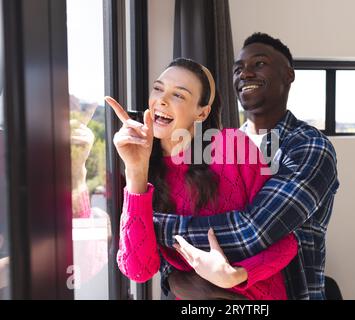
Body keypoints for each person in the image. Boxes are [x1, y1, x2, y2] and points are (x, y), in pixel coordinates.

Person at [155, 33, 340, 300]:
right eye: (238, 69)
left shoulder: (309, 147)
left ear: (289, 75)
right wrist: (177, 277)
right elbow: (173, 211)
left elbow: (253, 231)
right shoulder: (210, 146)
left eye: (259, 64)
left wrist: (151, 228)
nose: (245, 74)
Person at [106, 57, 299, 300]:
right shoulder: (143, 169)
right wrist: (135, 169)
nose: (162, 100)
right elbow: (139, 270)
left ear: (202, 112)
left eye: (179, 95)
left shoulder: (234, 146)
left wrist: (235, 275)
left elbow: (286, 239)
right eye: (158, 88)